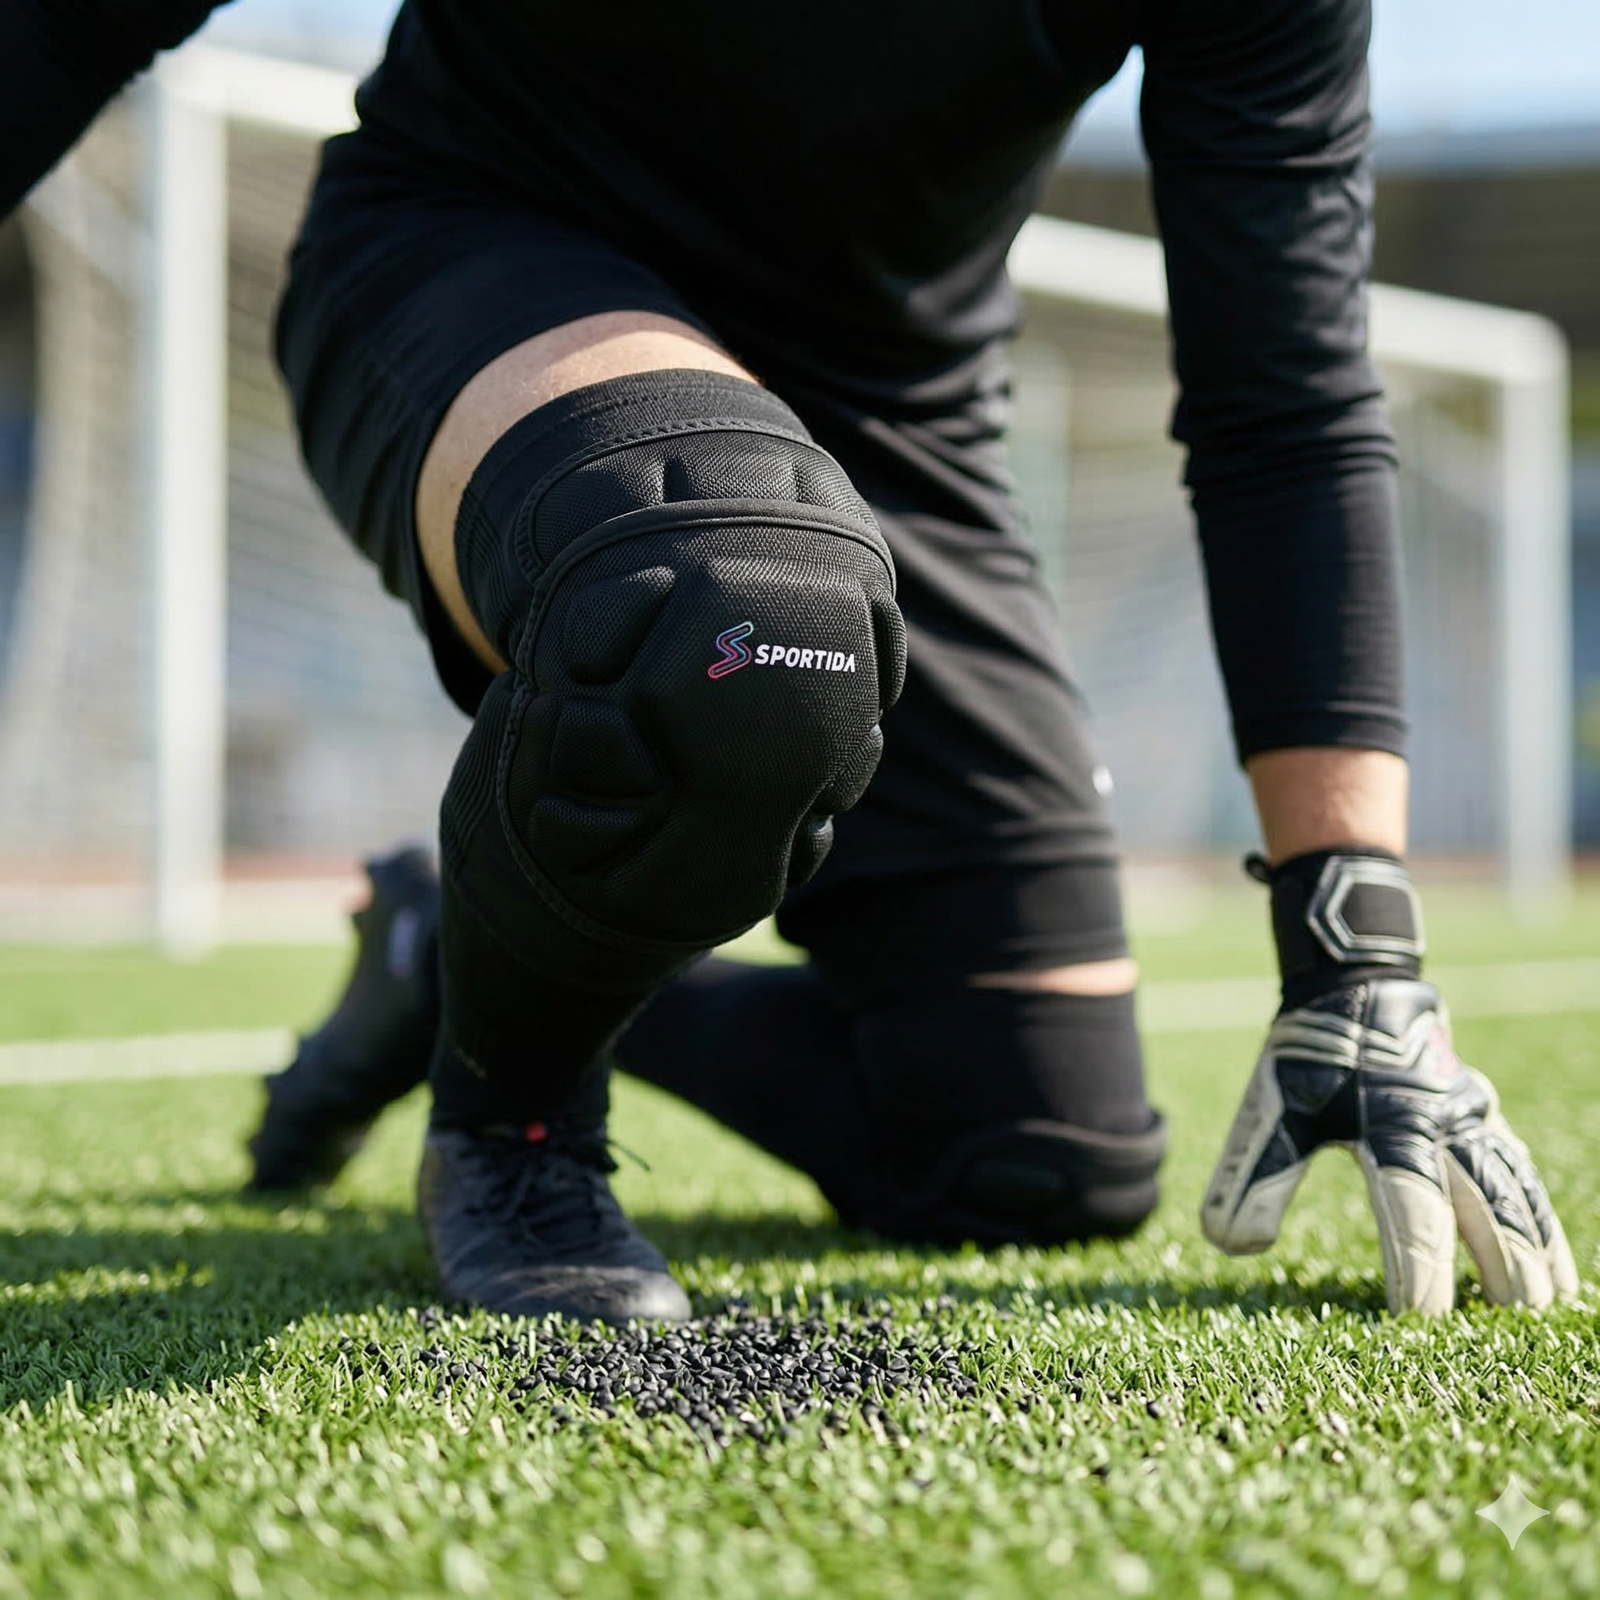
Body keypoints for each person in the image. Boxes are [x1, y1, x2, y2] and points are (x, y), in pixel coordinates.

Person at [4, 0, 1575, 1323]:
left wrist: (1352, 946)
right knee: (730, 599)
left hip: (891, 413)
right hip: (478, 255)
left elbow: (1285, 397)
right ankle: (519, 1117)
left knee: (1027, 1149)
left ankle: (445, 955)